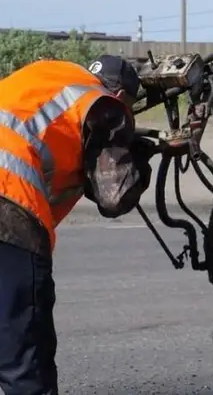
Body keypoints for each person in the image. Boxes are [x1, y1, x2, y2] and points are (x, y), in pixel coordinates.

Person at [0, 55, 156, 394]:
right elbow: (114, 195)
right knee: (26, 364)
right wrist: (138, 161)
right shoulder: (103, 105)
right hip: (7, 204)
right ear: (120, 96)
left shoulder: (47, 76)